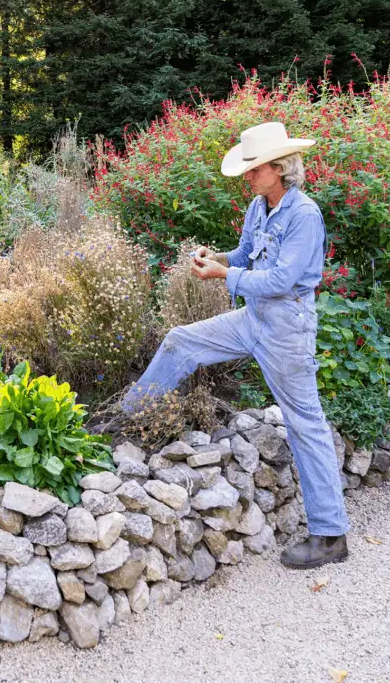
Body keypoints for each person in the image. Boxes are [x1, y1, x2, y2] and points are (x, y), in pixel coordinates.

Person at [120, 121, 349, 570]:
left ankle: (330, 535)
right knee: (179, 342)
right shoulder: (258, 206)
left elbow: (283, 279)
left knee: (305, 423)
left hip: (287, 326)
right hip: (253, 317)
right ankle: (127, 419)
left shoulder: (304, 215)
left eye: (253, 168)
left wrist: (225, 276)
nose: (247, 175)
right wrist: (218, 258)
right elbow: (245, 254)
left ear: (279, 168)